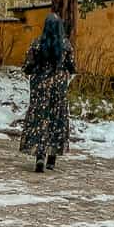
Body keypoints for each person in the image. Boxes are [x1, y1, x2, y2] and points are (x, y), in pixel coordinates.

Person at [19, 12, 76, 173]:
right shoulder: (66, 45)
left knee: (40, 120)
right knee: (56, 120)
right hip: (58, 88)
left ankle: (39, 156)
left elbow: (27, 66)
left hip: (40, 87)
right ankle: (52, 159)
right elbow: (72, 67)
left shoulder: (36, 44)